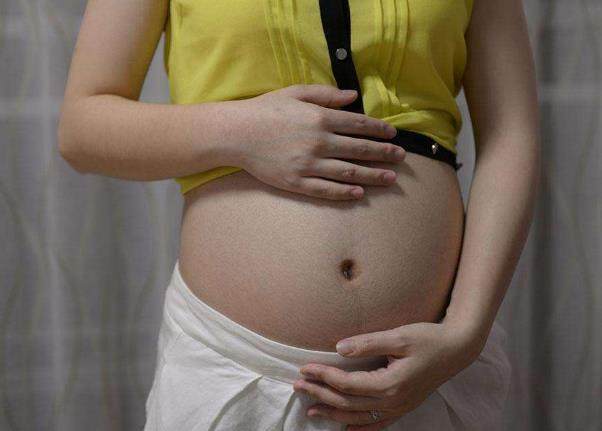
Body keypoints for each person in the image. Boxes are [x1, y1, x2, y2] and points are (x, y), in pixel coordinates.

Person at [57, 0, 540, 429]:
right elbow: (82, 129)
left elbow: (511, 133)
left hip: (426, 372)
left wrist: (464, 332)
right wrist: (239, 132)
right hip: (234, 368)